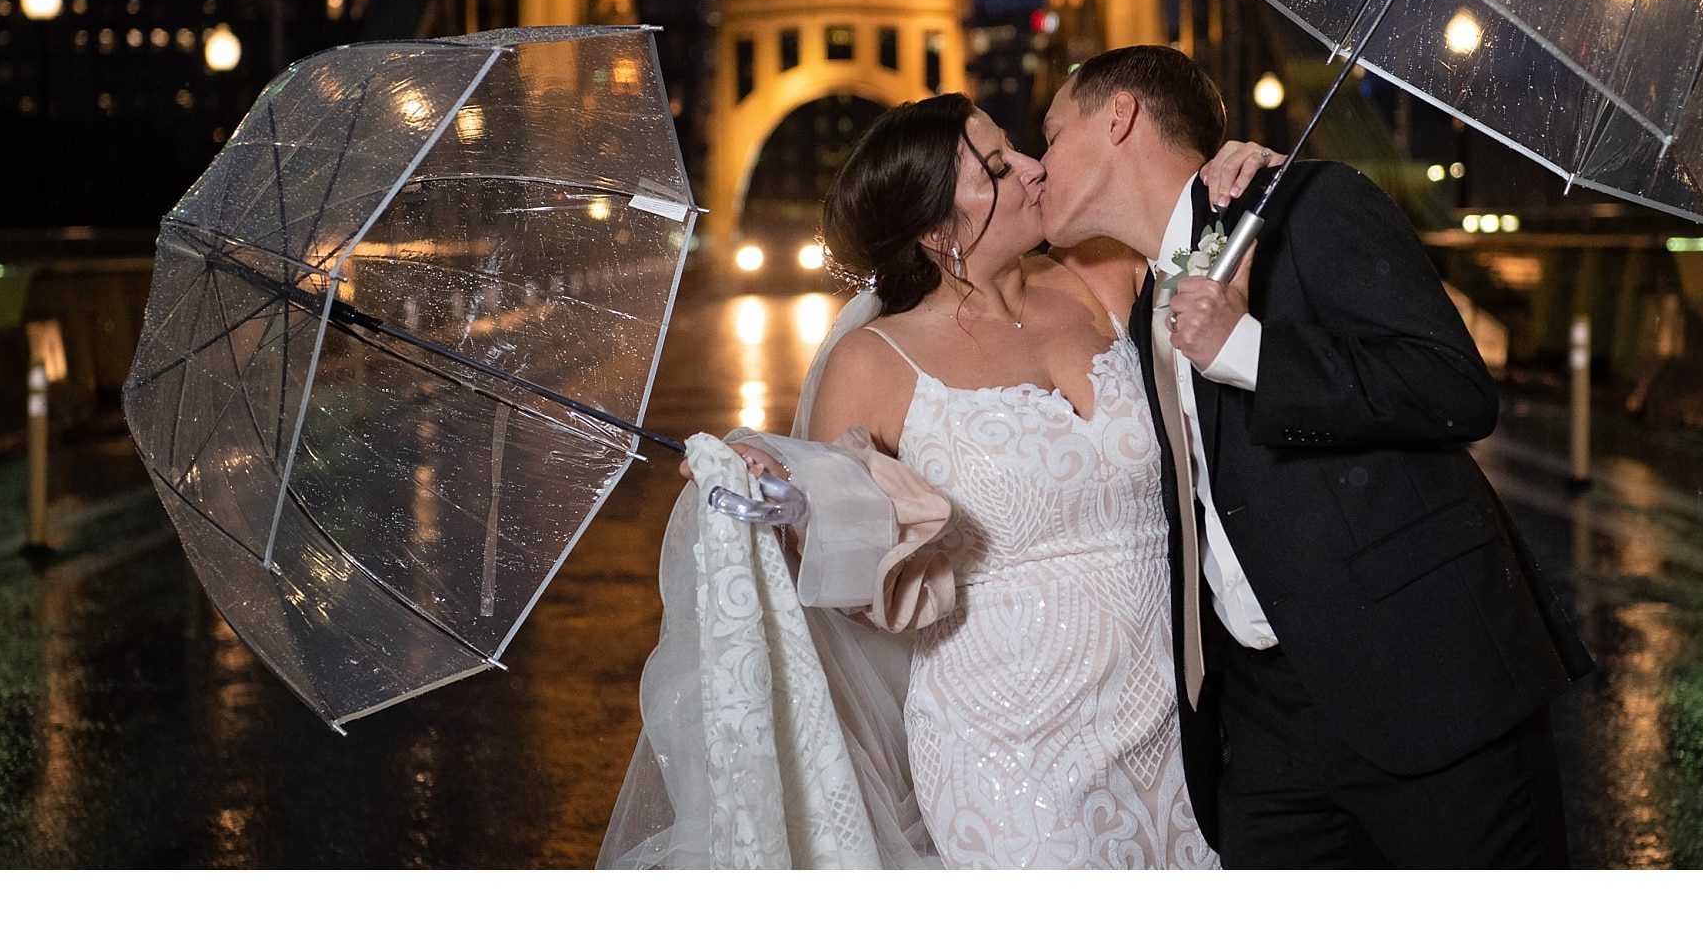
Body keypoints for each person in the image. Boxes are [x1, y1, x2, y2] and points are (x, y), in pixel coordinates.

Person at [600, 93, 1277, 870]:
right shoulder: (875, 362)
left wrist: (1237, 180)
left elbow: (1212, 260)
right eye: (995, 167)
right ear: (935, 230)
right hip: (1006, 745)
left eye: (1015, 148)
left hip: (1180, 723)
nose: (1031, 167)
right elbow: (845, 551)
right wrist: (783, 492)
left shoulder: (1101, 275)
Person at [1034, 45, 1594, 870]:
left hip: (1426, 684)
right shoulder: (1155, 291)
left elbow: (1455, 388)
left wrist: (1250, 350)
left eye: (1050, 137)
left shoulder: (1312, 205)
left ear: (1119, 117)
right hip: (1263, 723)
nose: (1040, 165)